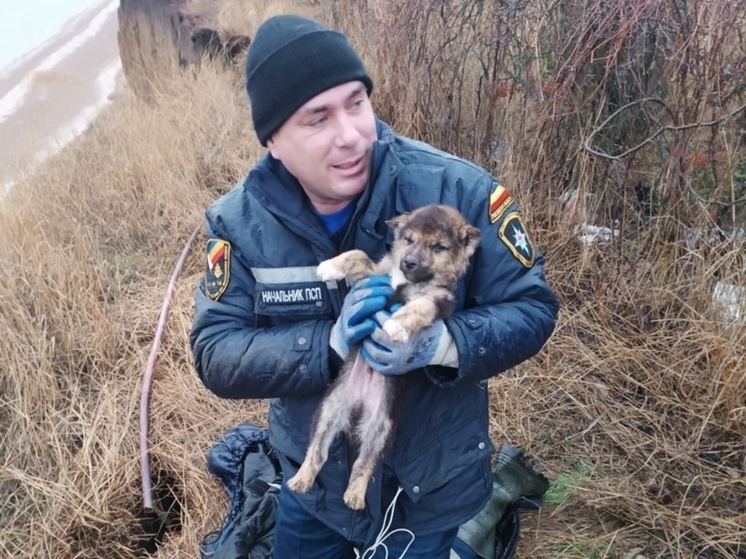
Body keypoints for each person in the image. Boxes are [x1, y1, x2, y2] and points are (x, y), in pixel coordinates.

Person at [190, 14, 559, 559]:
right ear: (273, 139)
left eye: (357, 102)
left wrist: (443, 344)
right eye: (318, 118)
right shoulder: (239, 226)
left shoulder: (459, 189)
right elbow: (216, 352)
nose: (352, 135)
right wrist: (329, 344)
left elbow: (532, 307)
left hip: (430, 487)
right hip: (310, 483)